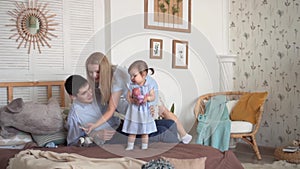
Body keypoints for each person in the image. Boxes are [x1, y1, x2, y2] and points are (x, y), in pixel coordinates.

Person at [85, 52, 192, 144]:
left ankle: (184, 137)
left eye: (97, 72)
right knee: (166, 122)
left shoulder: (117, 77)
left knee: (164, 115)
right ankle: (181, 140)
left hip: (144, 98)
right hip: (136, 103)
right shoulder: (100, 85)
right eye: (90, 72)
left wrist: (94, 126)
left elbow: (111, 109)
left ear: (104, 69)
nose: (94, 75)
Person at [64, 75, 119, 146]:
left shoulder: (100, 93)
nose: (90, 94)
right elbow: (73, 142)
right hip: (105, 141)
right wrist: (96, 134)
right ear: (73, 97)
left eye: (89, 88)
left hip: (120, 128)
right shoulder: (74, 115)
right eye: (84, 93)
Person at [122, 60, 158, 150]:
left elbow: (153, 97)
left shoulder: (149, 86)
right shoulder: (131, 86)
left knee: (145, 131)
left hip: (145, 111)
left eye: (134, 76)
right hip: (134, 111)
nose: (132, 78)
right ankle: (130, 145)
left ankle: (144, 146)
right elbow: (128, 97)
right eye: (130, 76)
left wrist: (147, 98)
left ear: (144, 74)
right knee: (132, 130)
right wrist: (133, 100)